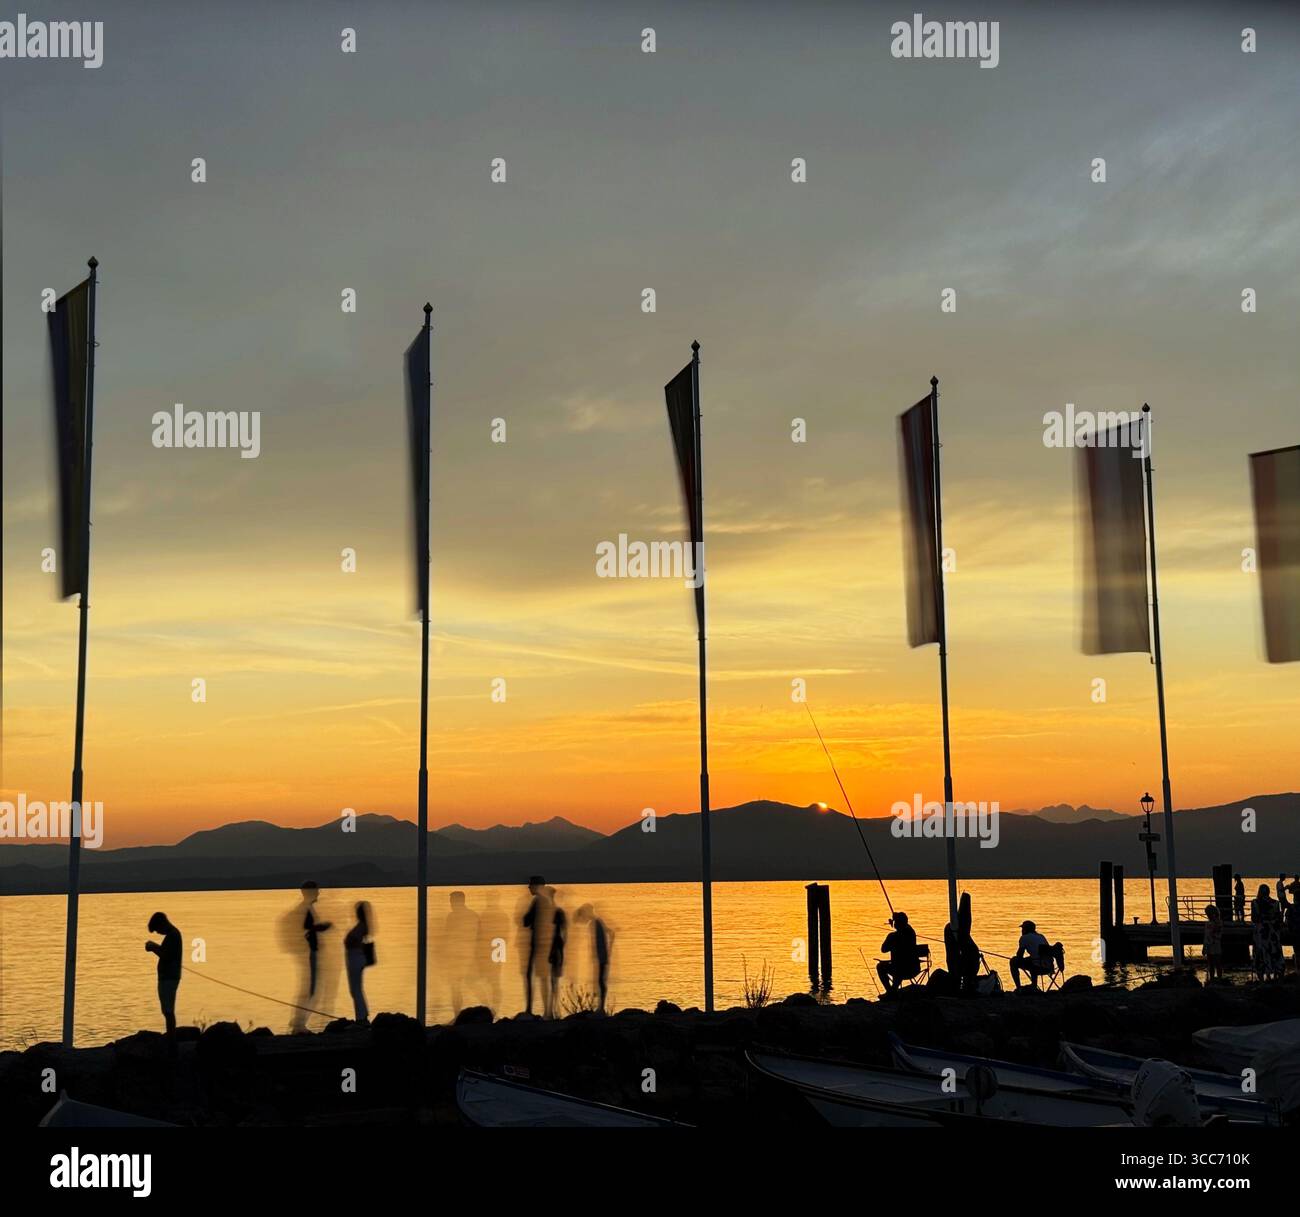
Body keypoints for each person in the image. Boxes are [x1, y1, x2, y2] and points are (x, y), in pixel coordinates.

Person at [290, 881, 333, 1032]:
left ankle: (298, 1022)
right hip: (310, 953)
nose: (319, 893)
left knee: (310, 989)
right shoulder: (305, 909)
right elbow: (306, 929)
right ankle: (298, 1024)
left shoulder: (306, 908)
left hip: (310, 952)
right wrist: (321, 927)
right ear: (311, 892)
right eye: (317, 891)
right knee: (311, 990)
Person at [144, 912, 182, 1033]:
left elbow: (165, 955)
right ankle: (171, 1037)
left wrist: (153, 947)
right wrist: (155, 946)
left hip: (169, 978)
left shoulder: (173, 935)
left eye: (157, 930)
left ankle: (171, 1039)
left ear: (162, 924)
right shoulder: (173, 935)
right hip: (169, 977)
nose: (158, 933)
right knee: (167, 1010)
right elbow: (166, 952)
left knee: (168, 1011)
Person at [521, 876, 553, 1016]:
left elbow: (526, 921)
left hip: (538, 943)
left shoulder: (538, 901)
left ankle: (529, 1009)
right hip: (546, 942)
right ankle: (547, 1009)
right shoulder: (548, 901)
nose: (528, 887)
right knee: (542, 976)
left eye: (531, 885)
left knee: (530, 975)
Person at [444, 890, 480, 1015]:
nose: (451, 904)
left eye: (452, 901)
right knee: (464, 985)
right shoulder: (472, 915)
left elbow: (448, 937)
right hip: (465, 956)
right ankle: (487, 1009)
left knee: (458, 986)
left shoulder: (453, 917)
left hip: (461, 956)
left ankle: (458, 1015)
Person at [574, 904, 614, 1012]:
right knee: (600, 981)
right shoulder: (596, 922)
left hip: (602, 957)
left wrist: (607, 952)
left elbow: (610, 933)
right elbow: (609, 933)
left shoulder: (596, 922)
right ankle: (600, 1007)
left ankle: (601, 1008)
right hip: (601, 957)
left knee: (601, 982)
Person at [1010, 920, 1065, 990]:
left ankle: (1019, 988)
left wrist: (1017, 957)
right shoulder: (1041, 936)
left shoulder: (1024, 938)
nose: (1022, 931)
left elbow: (1019, 956)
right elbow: (1042, 952)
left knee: (1013, 961)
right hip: (1049, 967)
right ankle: (1034, 985)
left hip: (1037, 968)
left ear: (1026, 930)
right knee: (1033, 960)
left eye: (1023, 929)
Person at [343, 901, 374, 1023]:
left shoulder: (361, 926)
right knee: (356, 989)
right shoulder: (363, 925)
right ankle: (362, 1015)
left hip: (355, 958)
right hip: (356, 958)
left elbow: (352, 941)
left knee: (355, 989)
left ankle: (361, 1018)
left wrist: (347, 939)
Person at [876, 911, 921, 993]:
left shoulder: (893, 936)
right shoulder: (911, 933)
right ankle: (892, 991)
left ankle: (891, 991)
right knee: (897, 965)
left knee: (881, 966)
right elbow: (906, 928)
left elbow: (883, 949)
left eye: (895, 922)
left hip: (902, 969)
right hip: (914, 968)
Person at [1251, 884, 1284, 981]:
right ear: (1269, 892)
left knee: (1260, 954)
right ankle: (1277, 976)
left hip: (1261, 932)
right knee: (1275, 953)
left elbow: (1254, 919)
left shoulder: (1255, 903)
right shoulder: (1276, 903)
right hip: (1273, 933)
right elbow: (1279, 919)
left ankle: (1262, 978)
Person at [547, 887, 567, 1019]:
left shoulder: (556, 912)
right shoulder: (557, 912)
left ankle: (554, 1009)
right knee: (553, 981)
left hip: (556, 950)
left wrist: (555, 953)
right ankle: (554, 1009)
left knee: (553, 981)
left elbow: (557, 933)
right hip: (557, 949)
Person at [1202, 904, 1224, 983]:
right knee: (1210, 964)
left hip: (1215, 945)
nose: (1207, 915)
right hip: (1208, 945)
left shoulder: (1218, 922)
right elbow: (1206, 936)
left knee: (1218, 963)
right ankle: (1211, 979)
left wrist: (1215, 920)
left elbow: (1218, 934)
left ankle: (1219, 979)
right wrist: (1204, 947)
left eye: (1208, 914)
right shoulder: (1207, 924)